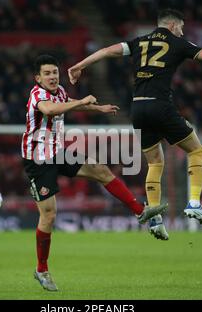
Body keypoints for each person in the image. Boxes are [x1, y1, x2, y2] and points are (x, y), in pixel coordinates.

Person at [68, 8, 202, 240]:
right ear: (173, 26)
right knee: (197, 150)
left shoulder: (139, 42)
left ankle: (154, 218)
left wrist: (78, 66)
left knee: (155, 162)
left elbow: (105, 51)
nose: (182, 32)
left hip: (138, 107)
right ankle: (194, 203)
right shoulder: (177, 43)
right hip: (160, 105)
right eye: (181, 28)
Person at [21, 55, 168, 291]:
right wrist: (81, 103)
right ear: (37, 78)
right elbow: (50, 110)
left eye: (55, 72)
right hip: (38, 160)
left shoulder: (58, 91)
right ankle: (41, 270)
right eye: (47, 73)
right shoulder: (38, 95)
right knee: (49, 216)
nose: (52, 77)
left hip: (58, 152)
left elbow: (68, 101)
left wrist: (98, 108)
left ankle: (141, 213)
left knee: (100, 169)